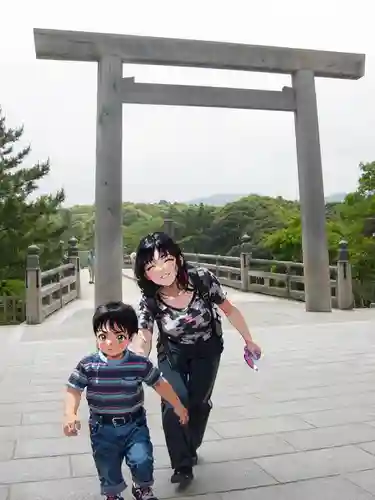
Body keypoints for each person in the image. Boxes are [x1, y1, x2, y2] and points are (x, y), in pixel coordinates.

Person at [131, 232, 261, 487]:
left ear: (178, 259)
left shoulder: (202, 279)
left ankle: (190, 445)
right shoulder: (150, 300)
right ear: (145, 273)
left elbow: (229, 309)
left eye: (165, 259)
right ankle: (182, 466)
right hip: (172, 352)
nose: (160, 268)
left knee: (198, 403)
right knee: (174, 400)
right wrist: (137, 358)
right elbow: (144, 333)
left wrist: (249, 340)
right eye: (151, 265)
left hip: (207, 349)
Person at [63, 301, 189, 500]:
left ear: (130, 337)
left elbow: (160, 384)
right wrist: (70, 413)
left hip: (134, 425)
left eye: (119, 337)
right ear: (96, 336)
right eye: (103, 337)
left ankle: (142, 488)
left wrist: (178, 405)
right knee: (107, 465)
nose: (110, 343)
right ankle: (113, 495)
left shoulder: (139, 364)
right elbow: (74, 389)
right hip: (102, 428)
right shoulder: (88, 365)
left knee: (142, 459)